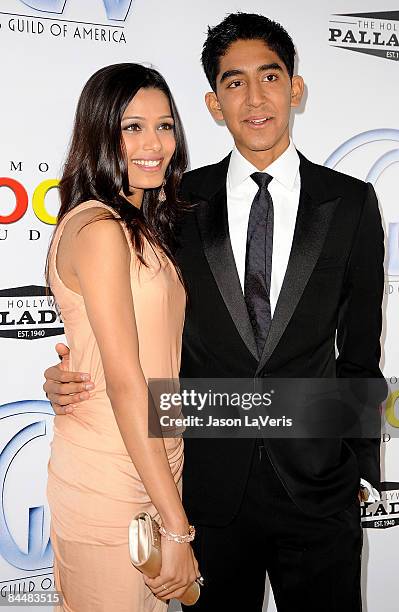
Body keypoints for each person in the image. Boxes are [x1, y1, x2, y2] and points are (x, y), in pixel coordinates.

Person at [44, 14, 386, 612]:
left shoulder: (351, 201)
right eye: (234, 83)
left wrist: (358, 470)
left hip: (318, 489)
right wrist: (73, 378)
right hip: (204, 487)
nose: (255, 99)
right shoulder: (172, 208)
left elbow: (360, 349)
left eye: (270, 77)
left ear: (295, 89)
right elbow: (133, 328)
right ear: (212, 102)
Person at [45, 63, 199, 612]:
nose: (153, 143)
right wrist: (178, 530)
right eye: (132, 127)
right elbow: (126, 382)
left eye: (164, 126)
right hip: (113, 479)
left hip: (156, 465)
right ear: (100, 131)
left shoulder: (141, 225)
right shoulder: (101, 229)